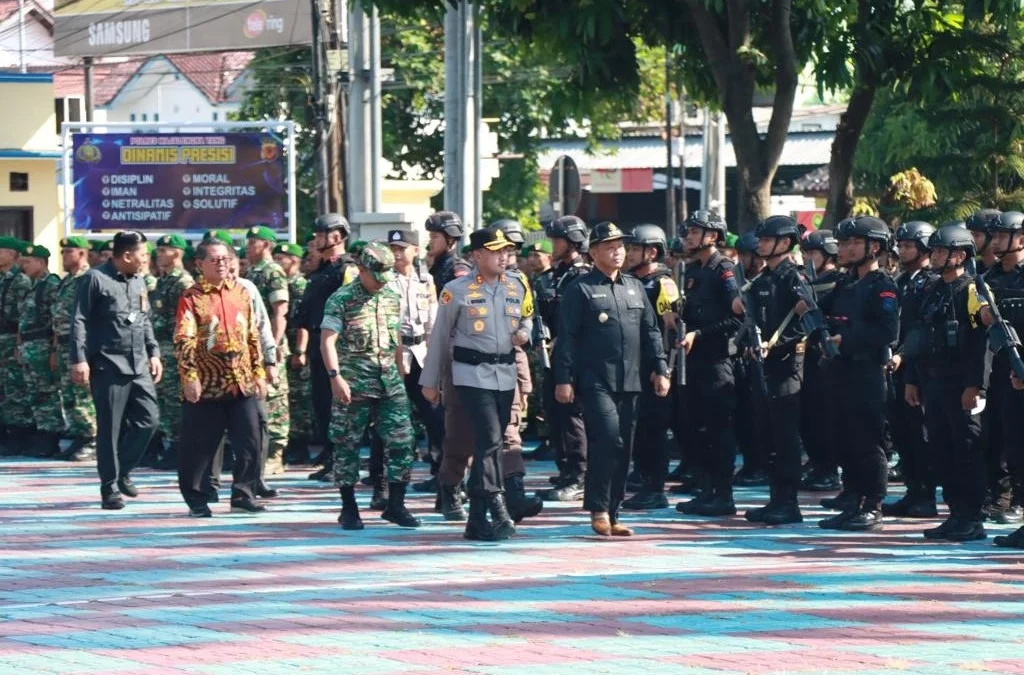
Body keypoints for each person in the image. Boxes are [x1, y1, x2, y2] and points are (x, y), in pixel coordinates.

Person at [554, 220, 671, 536]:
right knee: (607, 439)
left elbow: (651, 332)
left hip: (631, 380)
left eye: (621, 246)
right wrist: (563, 378)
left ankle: (614, 511)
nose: (618, 252)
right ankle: (598, 508)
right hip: (595, 381)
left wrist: (660, 369)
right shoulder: (581, 289)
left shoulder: (634, 287)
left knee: (624, 446)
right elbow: (567, 337)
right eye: (610, 247)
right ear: (593, 253)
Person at [420, 227, 530, 541]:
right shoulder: (457, 289)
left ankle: (477, 519)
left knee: (489, 443)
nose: (503, 257)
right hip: (470, 374)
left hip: (504, 374)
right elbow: (440, 337)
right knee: (490, 439)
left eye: (506, 251)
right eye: (496, 251)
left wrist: (525, 331)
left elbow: (526, 319)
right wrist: (431, 382)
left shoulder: (516, 286)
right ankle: (497, 505)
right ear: (477, 255)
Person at [320, 242, 420, 530]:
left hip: (389, 383)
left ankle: (396, 505)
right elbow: (327, 341)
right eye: (376, 275)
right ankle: (348, 507)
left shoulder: (390, 296)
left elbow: (398, 341)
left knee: (402, 442)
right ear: (361, 270)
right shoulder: (341, 299)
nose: (380, 282)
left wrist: (401, 375)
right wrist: (335, 377)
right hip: (353, 385)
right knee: (347, 445)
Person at [903, 224, 991, 542]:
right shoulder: (931, 290)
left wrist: (976, 385)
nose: (935, 256)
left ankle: (971, 516)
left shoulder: (972, 290)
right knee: (941, 450)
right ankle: (955, 514)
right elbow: (918, 339)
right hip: (933, 382)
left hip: (961, 383)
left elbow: (983, 342)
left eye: (941, 251)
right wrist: (912, 380)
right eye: (935, 250)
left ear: (960, 255)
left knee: (966, 449)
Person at [816, 217, 900, 532]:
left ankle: (872, 504)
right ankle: (852, 497)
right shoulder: (844, 283)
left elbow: (888, 331)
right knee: (843, 436)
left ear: (874, 247)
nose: (846, 248)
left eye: (853, 243)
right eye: (844, 242)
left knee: (867, 440)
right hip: (840, 369)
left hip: (866, 371)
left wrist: (846, 340)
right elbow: (819, 310)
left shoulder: (882, 286)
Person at [174, 239, 267, 517]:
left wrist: (259, 371)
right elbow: (184, 340)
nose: (222, 263)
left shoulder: (241, 293)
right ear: (200, 264)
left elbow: (253, 335)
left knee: (251, 440)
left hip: (242, 379)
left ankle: (243, 493)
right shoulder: (191, 297)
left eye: (225, 258)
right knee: (199, 446)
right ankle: (197, 499)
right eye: (214, 259)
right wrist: (189, 376)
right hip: (207, 382)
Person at [71, 231, 162, 510]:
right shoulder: (95, 279)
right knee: (109, 429)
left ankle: (122, 469)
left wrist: (154, 351)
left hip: (138, 364)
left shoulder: (139, 281)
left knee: (150, 420)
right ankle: (109, 488)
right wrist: (79, 359)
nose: (146, 260)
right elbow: (79, 320)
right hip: (107, 364)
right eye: (142, 255)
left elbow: (144, 318)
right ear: (126, 255)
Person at [738, 216, 813, 526]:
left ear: (784, 243)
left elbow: (808, 320)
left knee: (784, 437)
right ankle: (775, 499)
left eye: (767, 239)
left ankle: (788, 501)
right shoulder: (761, 281)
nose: (761, 244)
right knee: (766, 434)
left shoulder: (793, 279)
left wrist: (779, 343)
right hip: (763, 363)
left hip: (787, 365)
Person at [674, 212, 742, 518]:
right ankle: (706, 488)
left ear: (713, 236)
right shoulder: (694, 270)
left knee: (718, 428)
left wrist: (699, 333)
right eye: (688, 231)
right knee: (698, 427)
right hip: (695, 360)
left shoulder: (723, 270)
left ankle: (723, 493)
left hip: (717, 359)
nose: (688, 236)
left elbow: (736, 317)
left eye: (695, 231)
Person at [293, 214, 359, 482]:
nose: (317, 240)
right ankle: (331, 458)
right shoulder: (320, 270)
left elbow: (351, 310)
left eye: (322, 235)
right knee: (322, 405)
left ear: (337, 237)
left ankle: (343, 463)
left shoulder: (348, 268)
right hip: (319, 347)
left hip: (337, 348)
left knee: (338, 406)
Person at [620, 223, 679, 512]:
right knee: (639, 426)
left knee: (654, 428)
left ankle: (656, 488)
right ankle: (641, 476)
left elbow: (671, 328)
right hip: (633, 365)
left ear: (652, 251)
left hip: (656, 366)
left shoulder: (662, 283)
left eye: (633, 248)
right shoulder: (630, 281)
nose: (628, 253)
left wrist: (662, 366)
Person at [882, 221, 938, 519]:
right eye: (900, 246)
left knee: (920, 434)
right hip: (897, 365)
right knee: (903, 432)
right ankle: (912, 490)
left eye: (908, 246)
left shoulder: (930, 282)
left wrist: (905, 356)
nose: (902, 251)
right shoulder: (901, 280)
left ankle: (926, 495)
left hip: (918, 366)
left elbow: (921, 327)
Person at [387, 230, 444, 510]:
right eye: (393, 247)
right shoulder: (385, 281)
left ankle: (442, 478)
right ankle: (383, 484)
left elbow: (433, 319)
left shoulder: (426, 280)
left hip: (421, 353)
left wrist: (436, 359)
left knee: (435, 417)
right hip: (394, 356)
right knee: (391, 421)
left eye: (402, 247)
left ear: (415, 250)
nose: (397, 253)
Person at [537, 215, 590, 502]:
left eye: (558, 239)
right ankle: (566, 469)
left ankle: (579, 475)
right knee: (555, 415)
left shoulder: (582, 276)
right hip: (551, 353)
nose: (552, 244)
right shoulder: (555, 275)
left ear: (572, 241)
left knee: (572, 416)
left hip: (574, 355)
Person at [980, 211, 1024, 538]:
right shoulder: (988, 278)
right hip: (996, 371)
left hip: (1020, 370)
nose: (995, 242)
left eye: (1002, 236)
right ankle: (1002, 497)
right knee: (999, 437)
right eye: (993, 236)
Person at [798, 228, 843, 491]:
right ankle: (817, 462)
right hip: (810, 353)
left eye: (813, 252)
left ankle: (828, 468)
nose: (807, 257)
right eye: (806, 252)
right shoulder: (808, 280)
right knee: (809, 415)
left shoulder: (838, 280)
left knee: (826, 416)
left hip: (831, 354)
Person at [244, 226, 290, 476]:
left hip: (270, 344)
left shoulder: (272, 271)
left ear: (267, 245)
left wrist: (272, 344)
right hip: (252, 345)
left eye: (254, 243)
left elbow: (279, 312)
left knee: (275, 398)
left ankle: (275, 454)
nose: (249, 247)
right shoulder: (251, 272)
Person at [150, 234, 194, 469]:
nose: (158, 255)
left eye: (163, 250)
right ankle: (170, 443)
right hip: (162, 346)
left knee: (175, 399)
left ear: (177, 253)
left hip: (174, 347)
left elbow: (185, 318)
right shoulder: (164, 280)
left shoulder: (183, 282)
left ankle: (179, 445)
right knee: (165, 399)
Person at [53, 237, 98, 462]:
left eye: (68, 252)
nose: (64, 256)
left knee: (83, 394)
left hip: (80, 345)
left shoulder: (88, 279)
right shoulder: (67, 281)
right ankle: (80, 436)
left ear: (81, 254)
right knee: (68, 395)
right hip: (62, 344)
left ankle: (92, 439)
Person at [17, 244, 62, 457]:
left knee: (47, 392)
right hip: (29, 346)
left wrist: (54, 349)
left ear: (41, 263)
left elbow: (57, 320)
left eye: (28, 261)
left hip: (43, 345)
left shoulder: (51, 285)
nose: (23, 265)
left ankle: (51, 435)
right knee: (34, 392)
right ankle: (42, 432)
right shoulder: (33, 286)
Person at [274, 242, 312, 464]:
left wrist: (300, 350)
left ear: (294, 261)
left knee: (298, 399)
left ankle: (300, 445)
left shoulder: (299, 285)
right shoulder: (284, 284)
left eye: (282, 258)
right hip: (284, 347)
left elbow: (302, 322)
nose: (278, 262)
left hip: (296, 346)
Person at [0, 238, 35, 456]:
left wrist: (19, 343)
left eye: (2, 251)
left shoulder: (20, 281)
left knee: (15, 388)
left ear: (13, 255)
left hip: (12, 338)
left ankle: (20, 433)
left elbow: (25, 315)